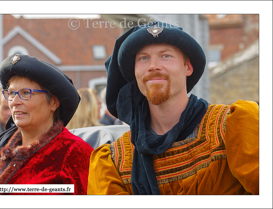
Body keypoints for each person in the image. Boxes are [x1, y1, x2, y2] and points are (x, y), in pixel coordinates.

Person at [87, 21, 259, 195]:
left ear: (188, 67)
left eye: (165, 56)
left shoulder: (233, 126)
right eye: (143, 58)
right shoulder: (113, 161)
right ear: (135, 73)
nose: (153, 66)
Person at [0, 54, 93, 195]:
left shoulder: (74, 152)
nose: (14, 102)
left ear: (54, 102)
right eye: (12, 93)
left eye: (26, 93)